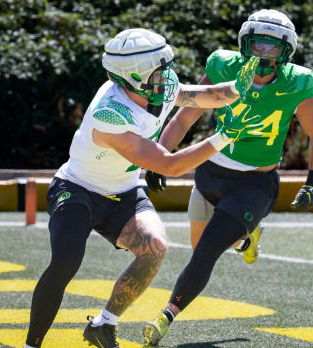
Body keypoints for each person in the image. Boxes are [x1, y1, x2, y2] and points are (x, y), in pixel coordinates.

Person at [23, 28, 261, 348]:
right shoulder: (110, 112)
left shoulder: (157, 85)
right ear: (131, 76)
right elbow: (170, 165)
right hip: (78, 189)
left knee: (155, 248)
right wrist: (225, 136)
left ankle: (103, 325)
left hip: (123, 191)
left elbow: (208, 96)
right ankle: (31, 344)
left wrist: (237, 87)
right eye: (158, 71)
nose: (167, 77)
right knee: (66, 261)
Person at [142, 9, 313, 347]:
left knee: (205, 253)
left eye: (272, 48)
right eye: (258, 45)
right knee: (206, 244)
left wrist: (311, 182)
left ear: (286, 52)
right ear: (244, 44)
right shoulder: (223, 67)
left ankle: (165, 316)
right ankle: (247, 239)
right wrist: (159, 159)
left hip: (255, 184)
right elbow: (185, 119)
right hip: (211, 173)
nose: (263, 54)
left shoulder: (297, 84)